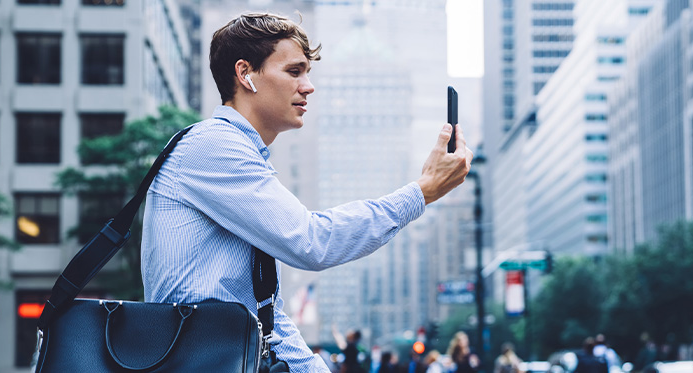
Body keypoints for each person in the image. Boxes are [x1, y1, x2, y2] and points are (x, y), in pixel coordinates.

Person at [140, 11, 473, 373]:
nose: (308, 86)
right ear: (245, 73)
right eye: (294, 72)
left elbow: (265, 315)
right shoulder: (214, 147)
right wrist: (421, 192)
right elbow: (314, 241)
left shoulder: (240, 156)